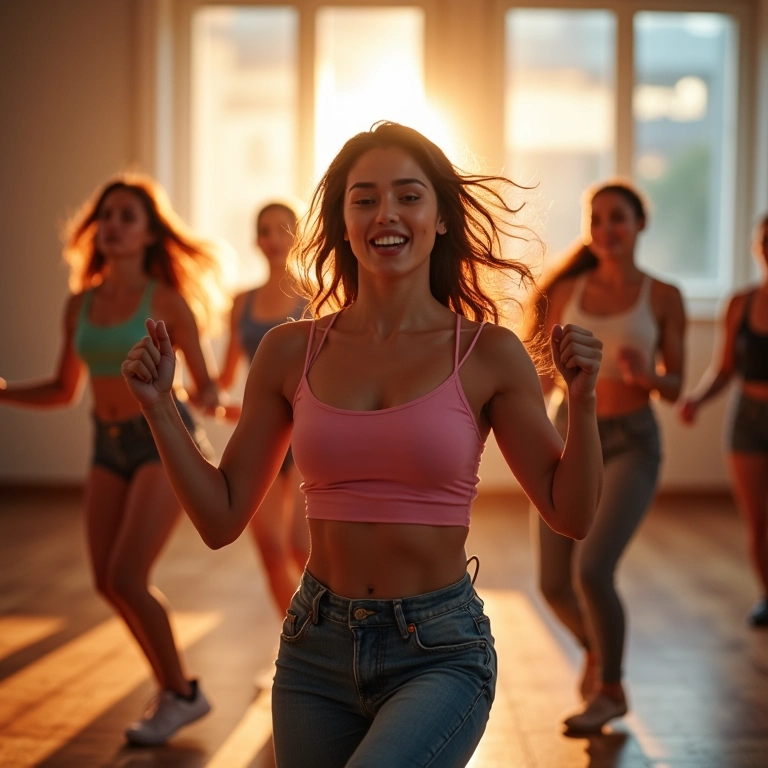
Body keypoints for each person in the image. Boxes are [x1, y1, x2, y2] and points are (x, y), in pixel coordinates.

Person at [122, 121, 604, 767]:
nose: (387, 214)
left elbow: (570, 515)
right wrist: (159, 408)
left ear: (439, 218)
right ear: (342, 222)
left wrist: (584, 399)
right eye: (364, 198)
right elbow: (219, 516)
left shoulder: (487, 354)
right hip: (314, 647)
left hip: (438, 650)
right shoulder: (290, 349)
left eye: (408, 196)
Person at [0, 173, 230, 746]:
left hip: (161, 437)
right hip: (105, 443)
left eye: (127, 215)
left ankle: (180, 693)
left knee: (129, 575)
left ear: (150, 232)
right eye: (106, 215)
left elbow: (202, 389)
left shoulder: (168, 301)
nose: (113, 225)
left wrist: (222, 405)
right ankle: (177, 691)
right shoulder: (80, 302)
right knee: (107, 580)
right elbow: (62, 388)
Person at [526, 180, 686, 734]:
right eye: (596, 220)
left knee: (593, 569)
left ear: (640, 224)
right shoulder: (568, 290)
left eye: (618, 218)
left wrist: (651, 378)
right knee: (551, 582)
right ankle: (597, 649)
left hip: (632, 443)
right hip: (567, 434)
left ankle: (611, 690)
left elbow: (676, 385)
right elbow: (541, 371)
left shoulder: (663, 296)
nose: (606, 229)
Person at [218, 202, 309, 615]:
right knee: (272, 553)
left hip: (306, 434)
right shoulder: (241, 302)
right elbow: (224, 379)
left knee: (302, 552)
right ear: (256, 239)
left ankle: (331, 652)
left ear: (298, 235)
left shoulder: (315, 297)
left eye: (283, 229)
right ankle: (290, 648)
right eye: (265, 230)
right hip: (262, 435)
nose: (273, 238)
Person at [679, 213, 768, 628]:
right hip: (747, 419)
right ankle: (767, 595)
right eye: (765, 239)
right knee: (758, 521)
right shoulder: (740, 303)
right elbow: (725, 367)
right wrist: (696, 398)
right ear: (756, 246)